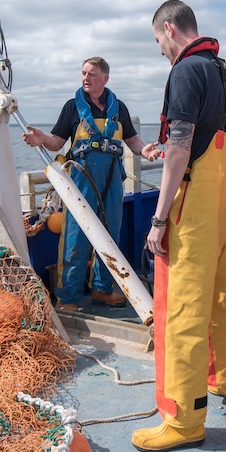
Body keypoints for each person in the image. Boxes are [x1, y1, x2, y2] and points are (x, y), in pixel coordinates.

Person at [131, 0, 226, 452]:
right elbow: (208, 135)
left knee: (184, 309)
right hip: (224, 204)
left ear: (170, 29)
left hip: (194, 208)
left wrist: (158, 221)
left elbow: (180, 149)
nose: (160, 49)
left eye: (158, 40)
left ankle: (183, 419)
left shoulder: (184, 71)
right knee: (224, 296)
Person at [23, 56, 160, 311]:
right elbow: (56, 141)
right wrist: (41, 138)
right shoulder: (72, 107)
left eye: (92, 74)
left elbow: (132, 140)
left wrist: (145, 151)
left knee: (110, 235)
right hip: (81, 182)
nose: (86, 78)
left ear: (105, 79)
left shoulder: (118, 108)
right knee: (75, 238)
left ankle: (102, 289)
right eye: (83, 73)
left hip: (112, 181)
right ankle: (68, 296)